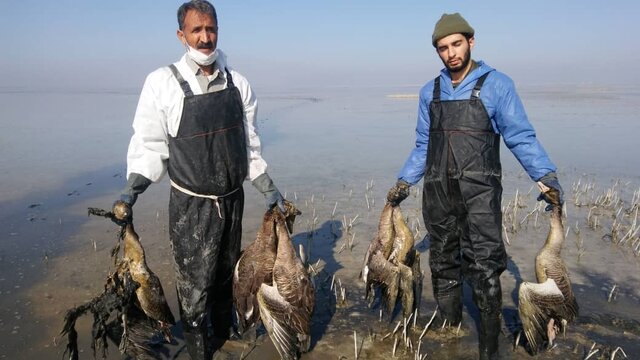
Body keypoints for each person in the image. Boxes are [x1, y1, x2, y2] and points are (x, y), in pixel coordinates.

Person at [386, 13, 564, 360]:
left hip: (480, 195)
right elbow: (423, 145)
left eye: (456, 44)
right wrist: (404, 182)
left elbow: (520, 136)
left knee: (484, 268)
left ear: (471, 42)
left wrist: (546, 178)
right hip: (437, 195)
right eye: (442, 48)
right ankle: (452, 329)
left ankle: (487, 348)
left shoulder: (497, 85)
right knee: (442, 263)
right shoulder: (429, 92)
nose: (450, 53)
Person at [118, 1, 287, 358]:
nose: (205, 37)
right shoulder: (162, 84)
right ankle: (198, 347)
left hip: (232, 199)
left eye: (210, 29)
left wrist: (270, 190)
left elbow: (250, 146)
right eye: (197, 30)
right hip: (190, 205)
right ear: (182, 35)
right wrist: (130, 192)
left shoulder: (238, 84)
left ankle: (225, 335)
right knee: (193, 285)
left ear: (218, 31)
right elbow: (149, 145)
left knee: (227, 274)